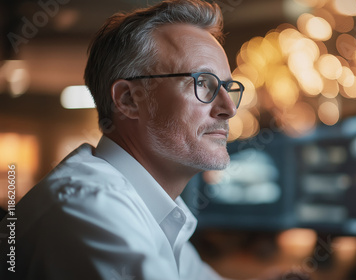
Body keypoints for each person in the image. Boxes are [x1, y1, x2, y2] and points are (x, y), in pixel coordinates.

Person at [0, 0, 244, 279]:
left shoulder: (155, 209)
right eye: (203, 83)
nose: (229, 108)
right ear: (128, 100)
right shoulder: (89, 205)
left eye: (227, 87)